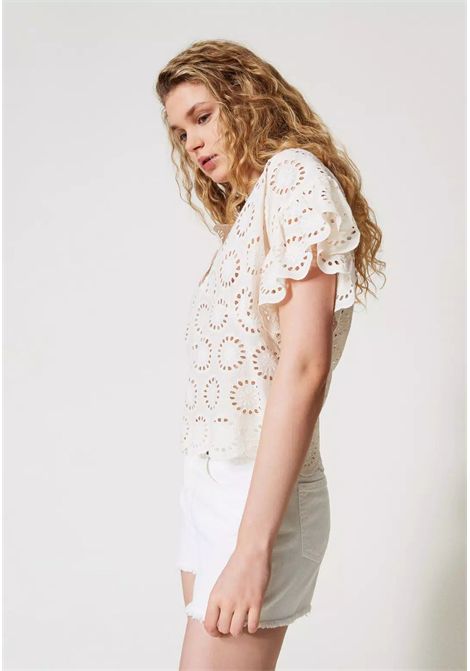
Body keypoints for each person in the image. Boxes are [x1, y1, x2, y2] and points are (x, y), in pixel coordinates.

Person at [155, 39, 385, 670]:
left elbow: (304, 368)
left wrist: (252, 546)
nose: (192, 143)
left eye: (203, 116)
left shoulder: (294, 176)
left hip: (258, 496)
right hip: (209, 483)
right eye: (180, 132)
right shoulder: (249, 211)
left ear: (247, 99)